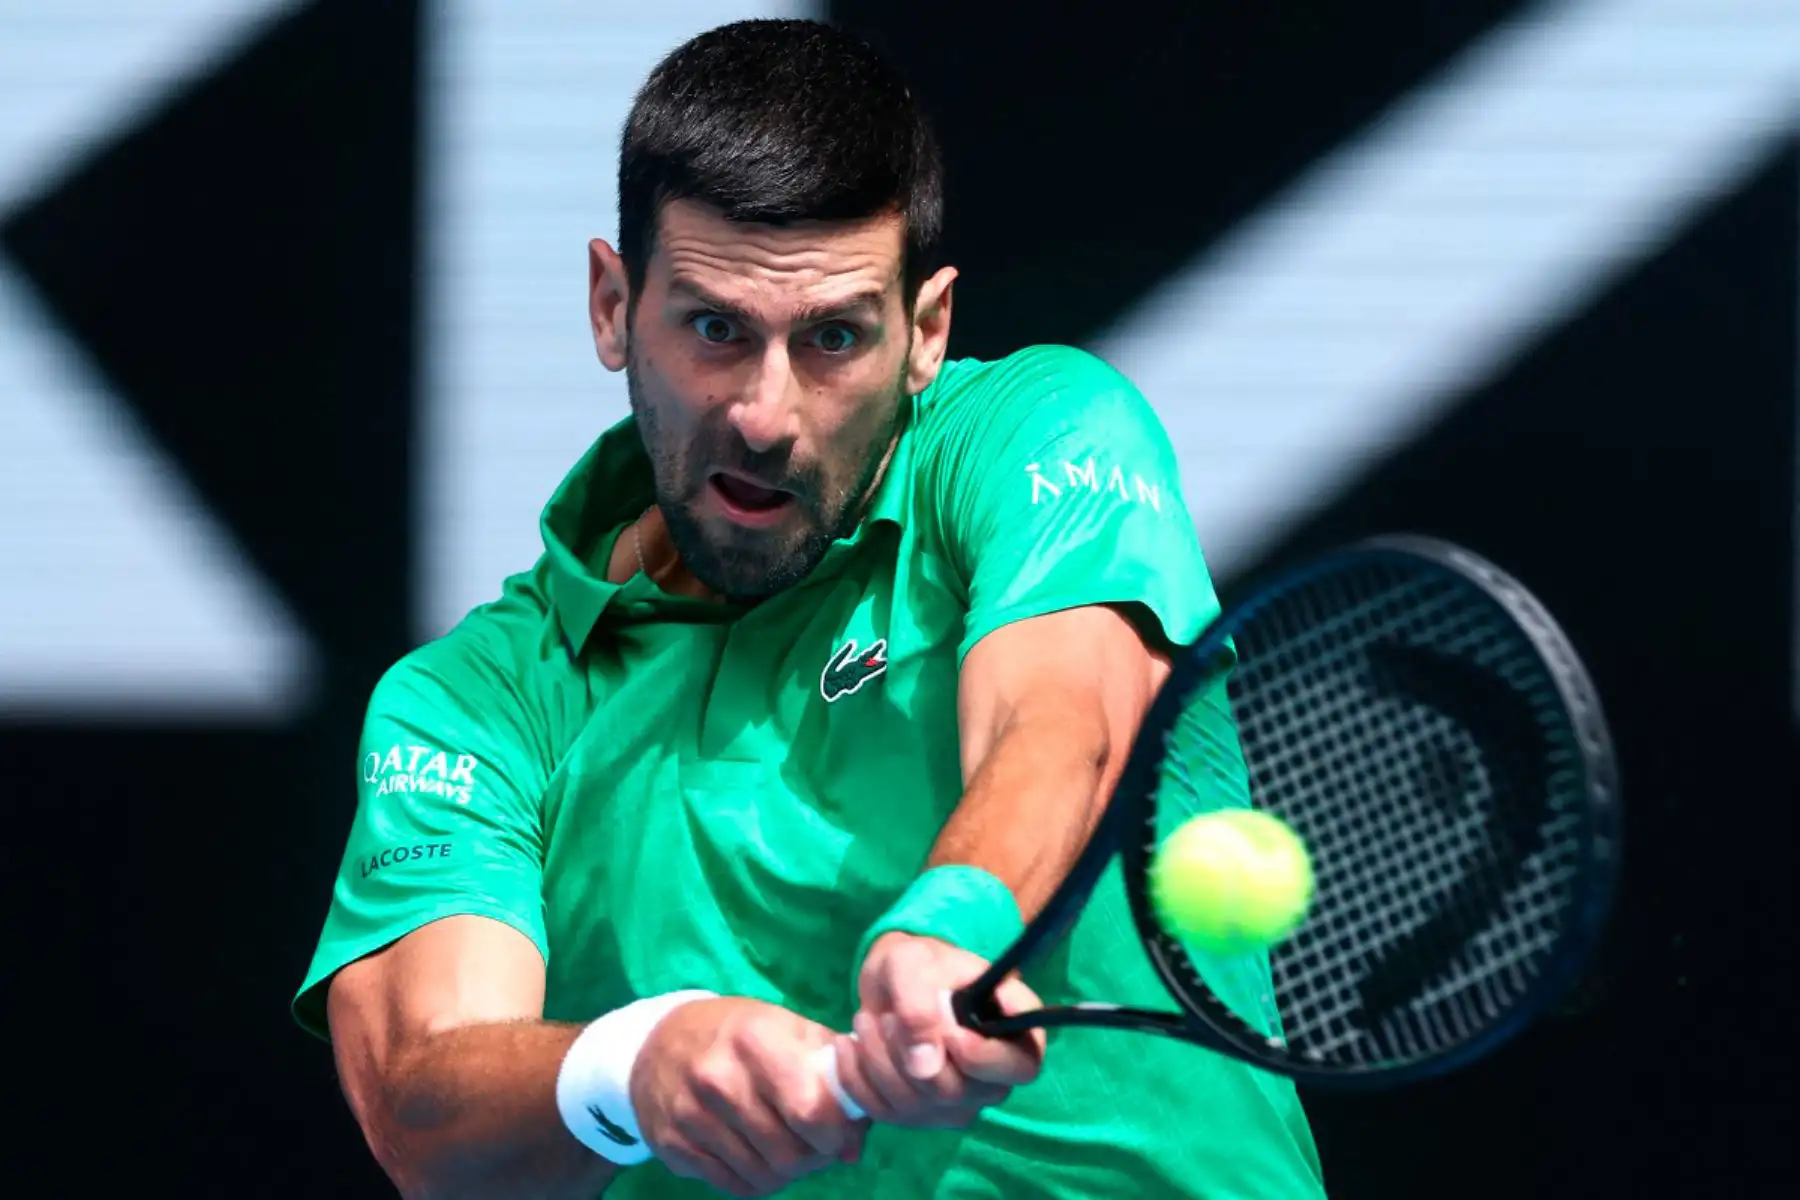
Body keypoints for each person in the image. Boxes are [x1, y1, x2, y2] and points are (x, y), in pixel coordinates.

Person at [294, 17, 1326, 1199]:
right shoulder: (474, 708)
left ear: (925, 333)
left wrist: (953, 922)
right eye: (715, 329)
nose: (765, 414)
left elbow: (1066, 718)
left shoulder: (1032, 435)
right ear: (611, 304)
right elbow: (423, 1101)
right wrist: (631, 1064)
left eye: (833, 337)